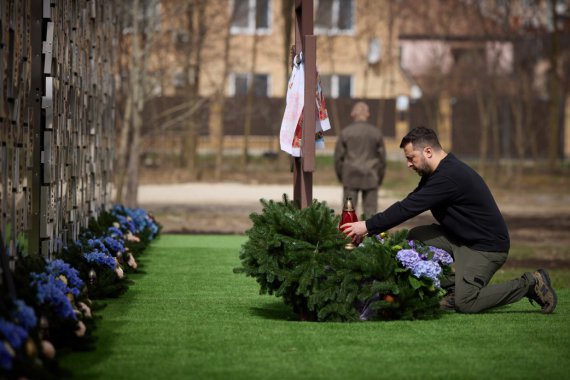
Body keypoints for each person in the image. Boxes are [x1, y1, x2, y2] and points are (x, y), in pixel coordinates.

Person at [341, 126, 557, 314]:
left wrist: (366, 226)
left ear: (427, 151)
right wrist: (371, 227)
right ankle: (453, 288)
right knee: (416, 238)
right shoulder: (435, 174)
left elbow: (408, 208)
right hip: (459, 239)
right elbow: (411, 201)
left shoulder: (448, 177)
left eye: (410, 158)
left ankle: (530, 283)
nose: (408, 164)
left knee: (467, 303)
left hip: (486, 247)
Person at [334, 101, 386, 218]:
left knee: (348, 214)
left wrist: (341, 176)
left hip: (350, 177)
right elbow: (382, 159)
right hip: (371, 176)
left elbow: (338, 158)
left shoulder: (345, 132)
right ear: (368, 114)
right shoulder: (376, 133)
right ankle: (371, 236)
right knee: (371, 215)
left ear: (353, 114)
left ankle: (347, 236)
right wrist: (379, 178)